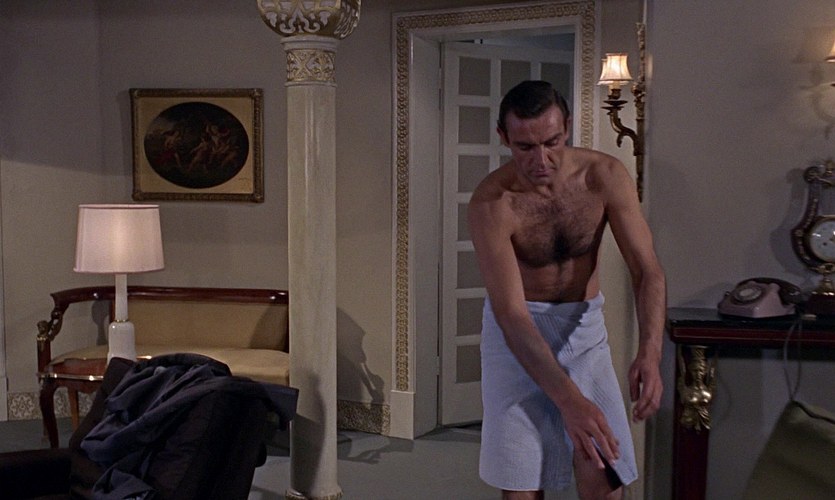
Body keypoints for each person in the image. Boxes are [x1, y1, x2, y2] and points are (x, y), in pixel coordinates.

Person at [468, 80, 666, 500]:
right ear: (503, 137)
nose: (541, 160)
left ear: (568, 127)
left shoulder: (604, 176)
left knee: (603, 468)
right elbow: (511, 315)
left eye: (551, 142)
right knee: (522, 479)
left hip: (583, 330)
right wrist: (570, 402)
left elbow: (646, 270)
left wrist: (650, 352)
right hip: (517, 336)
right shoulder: (491, 202)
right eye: (525, 147)